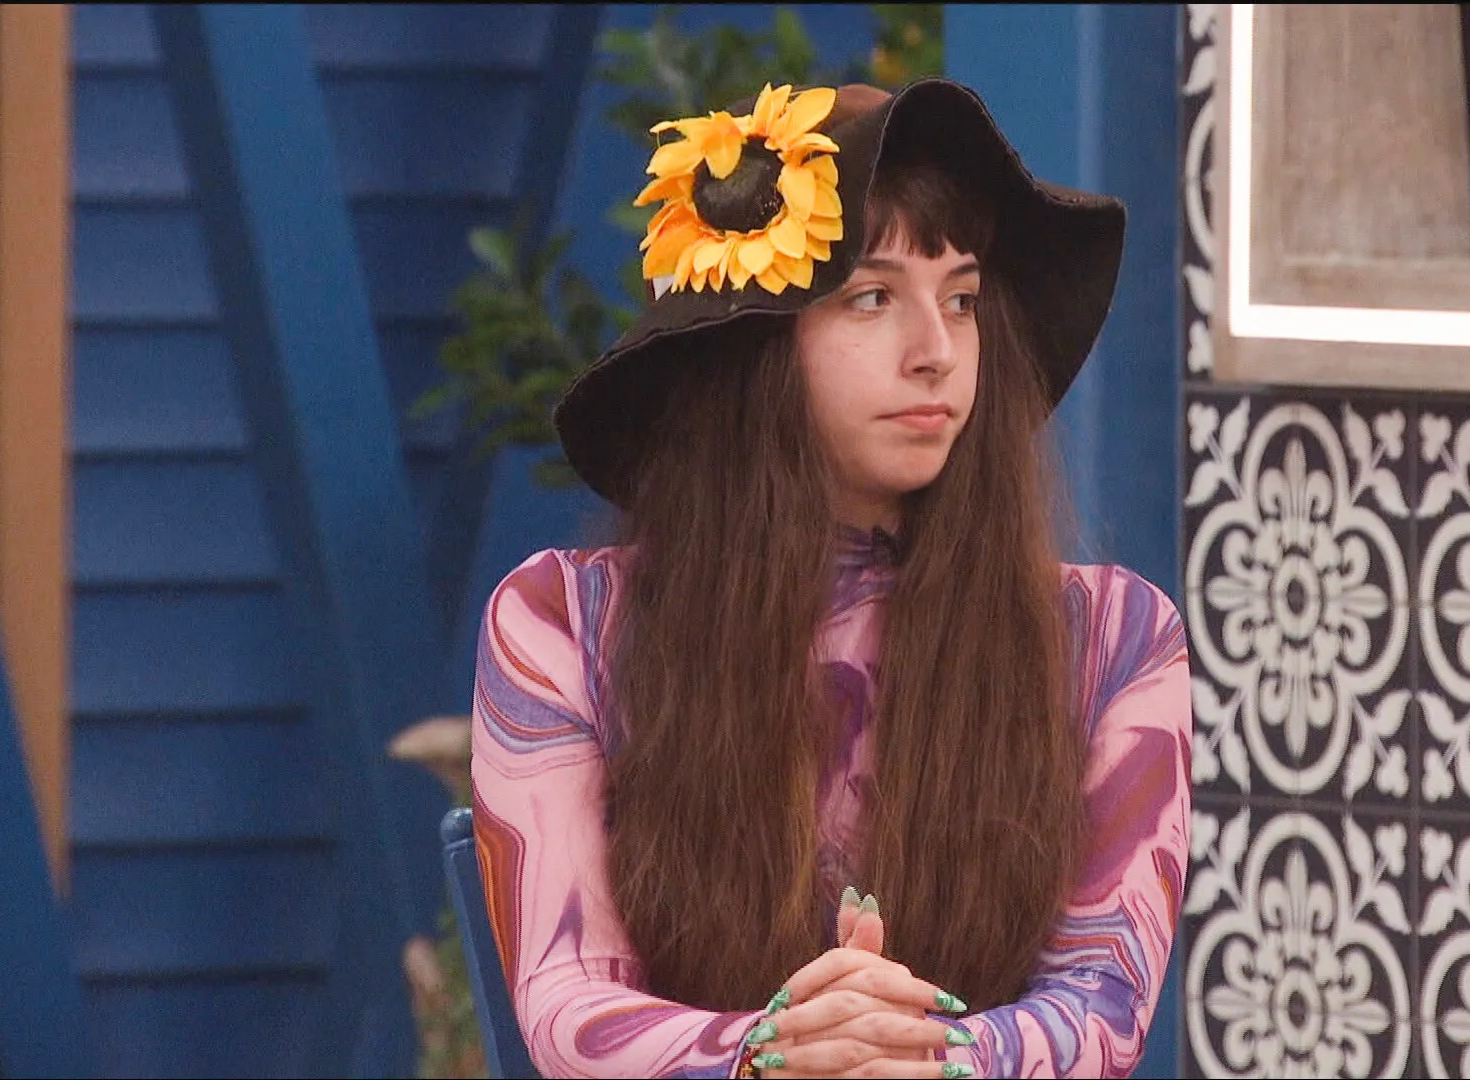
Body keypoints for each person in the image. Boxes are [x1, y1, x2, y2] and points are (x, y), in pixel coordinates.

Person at [470, 78, 1190, 1080]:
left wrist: (926, 1055)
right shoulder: (562, 623)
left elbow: (1104, 1007)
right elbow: (570, 1007)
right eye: (871, 297)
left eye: (963, 300)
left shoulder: (1113, 637)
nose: (937, 352)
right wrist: (773, 1051)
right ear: (754, 350)